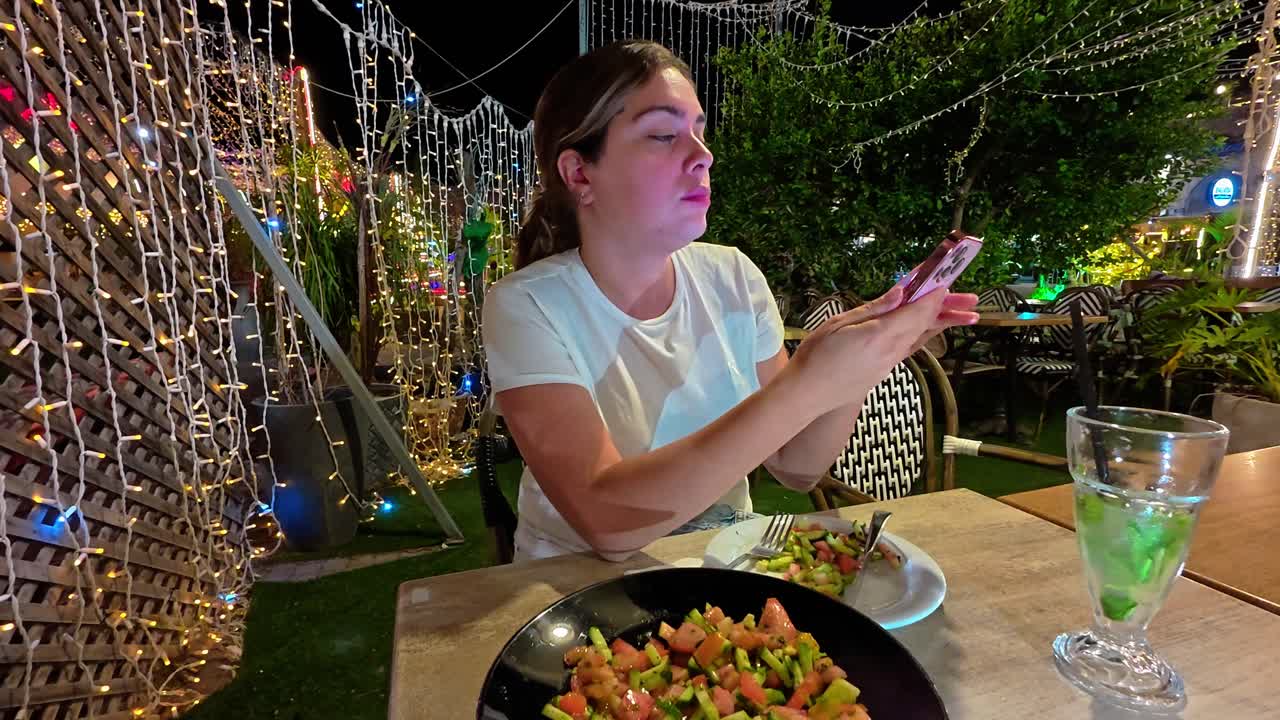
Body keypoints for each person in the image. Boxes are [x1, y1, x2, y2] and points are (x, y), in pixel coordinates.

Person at [481, 40, 978, 562]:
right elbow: (606, 523)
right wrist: (811, 381)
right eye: (664, 135)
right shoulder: (528, 306)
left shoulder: (732, 277)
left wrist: (860, 367)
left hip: (719, 571)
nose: (704, 155)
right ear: (580, 173)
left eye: (700, 132)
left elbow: (797, 466)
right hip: (578, 587)